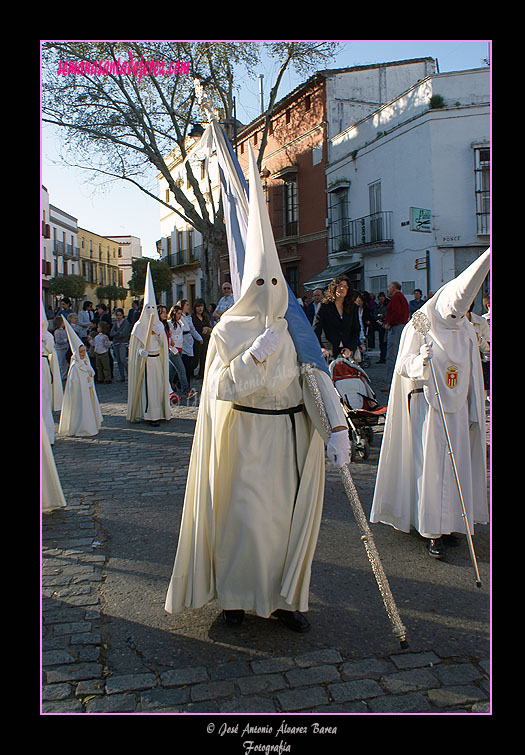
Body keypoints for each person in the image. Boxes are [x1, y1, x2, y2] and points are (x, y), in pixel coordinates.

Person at [165, 145, 350, 633]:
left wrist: (335, 429)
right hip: (245, 440)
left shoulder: (294, 326)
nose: (270, 288)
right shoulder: (228, 330)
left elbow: (312, 375)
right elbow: (221, 388)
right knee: (245, 521)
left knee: (283, 526)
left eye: (277, 281)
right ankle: (235, 598)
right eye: (261, 279)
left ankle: (284, 600)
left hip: (290, 439)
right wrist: (256, 354)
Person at [370, 249, 490, 560]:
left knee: (456, 467)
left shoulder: (462, 328)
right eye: (451, 315)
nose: (454, 320)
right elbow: (402, 365)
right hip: (429, 408)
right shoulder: (420, 323)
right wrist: (419, 362)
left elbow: (474, 366)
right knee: (432, 469)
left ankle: (450, 524)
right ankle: (430, 529)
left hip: (458, 410)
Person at [127, 263, 171, 427]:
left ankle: (158, 413)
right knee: (149, 390)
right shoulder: (139, 327)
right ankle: (150, 415)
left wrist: (160, 333)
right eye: (149, 307)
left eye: (154, 307)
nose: (152, 310)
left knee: (158, 388)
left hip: (156, 361)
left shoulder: (159, 325)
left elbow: (163, 344)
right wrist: (140, 352)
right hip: (146, 363)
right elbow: (134, 346)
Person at [58, 314, 103, 437]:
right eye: (80, 351)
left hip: (88, 392)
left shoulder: (85, 362)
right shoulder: (75, 366)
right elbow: (74, 384)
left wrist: (90, 374)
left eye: (84, 351)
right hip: (80, 395)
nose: (83, 353)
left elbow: (90, 374)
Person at [312, 276, 360, 360]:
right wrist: (321, 348)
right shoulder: (324, 306)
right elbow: (316, 329)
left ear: (348, 290)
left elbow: (356, 331)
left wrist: (350, 348)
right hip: (328, 351)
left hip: (347, 353)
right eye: (339, 285)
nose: (342, 288)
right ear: (334, 287)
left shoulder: (353, 307)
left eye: (345, 286)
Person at [42, 303, 63, 445]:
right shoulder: (47, 335)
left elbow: (49, 350)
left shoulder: (47, 335)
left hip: (42, 364)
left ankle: (47, 435)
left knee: (44, 400)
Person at [383, 281, 410, 387]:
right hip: (401, 326)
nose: (388, 289)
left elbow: (396, 312)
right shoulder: (402, 297)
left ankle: (391, 383)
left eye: (389, 287)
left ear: (393, 288)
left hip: (396, 327)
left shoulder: (396, 298)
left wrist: (389, 322)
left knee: (391, 355)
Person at [167, 304, 195, 400]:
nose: (179, 315)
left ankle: (168, 390)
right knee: (181, 370)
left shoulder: (179, 323)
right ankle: (186, 390)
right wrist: (174, 350)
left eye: (180, 314)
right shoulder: (170, 323)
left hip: (180, 349)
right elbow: (168, 338)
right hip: (173, 351)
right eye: (178, 313)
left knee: (171, 372)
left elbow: (186, 329)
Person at [176, 299, 202, 389]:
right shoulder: (180, 317)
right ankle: (185, 386)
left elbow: (192, 329)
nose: (188, 307)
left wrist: (199, 338)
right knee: (184, 365)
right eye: (186, 305)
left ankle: (184, 384)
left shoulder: (188, 317)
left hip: (189, 342)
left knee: (190, 364)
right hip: (182, 342)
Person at [191, 298, 212, 380]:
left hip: (205, 340)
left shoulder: (205, 317)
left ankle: (201, 374)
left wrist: (207, 328)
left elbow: (211, 328)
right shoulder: (192, 318)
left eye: (202, 306)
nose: (200, 308)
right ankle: (190, 372)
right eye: (198, 306)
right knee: (195, 360)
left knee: (204, 358)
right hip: (195, 341)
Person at [109, 307, 131, 382]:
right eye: (117, 315)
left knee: (123, 360)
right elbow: (111, 332)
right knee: (118, 360)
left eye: (120, 315)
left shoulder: (126, 323)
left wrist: (116, 334)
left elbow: (124, 333)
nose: (118, 317)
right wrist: (118, 334)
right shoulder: (116, 323)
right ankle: (122, 376)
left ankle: (129, 375)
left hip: (123, 343)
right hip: (116, 343)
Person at [53, 315, 70, 381]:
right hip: (60, 349)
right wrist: (66, 340)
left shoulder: (64, 330)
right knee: (60, 362)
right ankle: (60, 375)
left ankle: (64, 375)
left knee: (65, 363)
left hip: (65, 348)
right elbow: (58, 341)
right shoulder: (57, 331)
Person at [374, 292, 389, 364]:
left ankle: (386, 357)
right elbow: (374, 315)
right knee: (381, 343)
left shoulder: (387, 305)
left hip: (387, 325)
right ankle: (382, 358)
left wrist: (384, 316)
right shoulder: (377, 306)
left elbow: (389, 313)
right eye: (380, 298)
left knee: (387, 342)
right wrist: (379, 317)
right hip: (380, 325)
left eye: (382, 298)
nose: (381, 300)